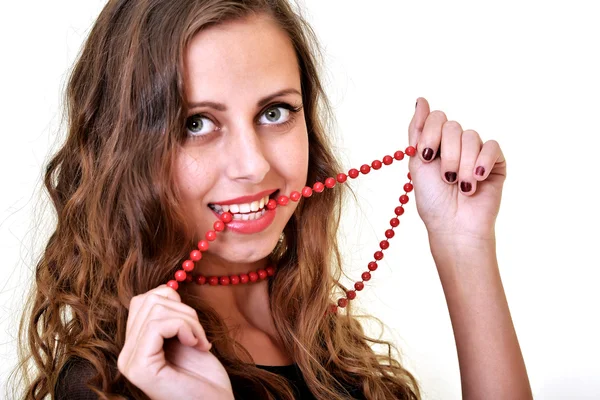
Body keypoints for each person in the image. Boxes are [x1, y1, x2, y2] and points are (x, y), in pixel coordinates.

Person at [15, 0, 532, 399]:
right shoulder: (110, 382)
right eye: (196, 123)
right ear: (125, 150)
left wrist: (464, 247)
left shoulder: (328, 343)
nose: (254, 165)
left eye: (275, 113)